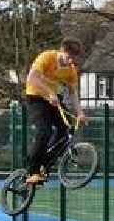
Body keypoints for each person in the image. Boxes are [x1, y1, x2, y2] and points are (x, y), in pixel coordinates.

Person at [24, 37, 86, 184]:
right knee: (44, 131)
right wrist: (49, 93)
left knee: (65, 131)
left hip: (54, 101)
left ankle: (44, 164)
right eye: (69, 57)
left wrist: (80, 113)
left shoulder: (71, 71)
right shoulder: (47, 57)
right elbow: (32, 78)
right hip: (36, 97)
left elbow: (72, 93)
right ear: (62, 51)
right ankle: (32, 170)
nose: (71, 62)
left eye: (74, 59)